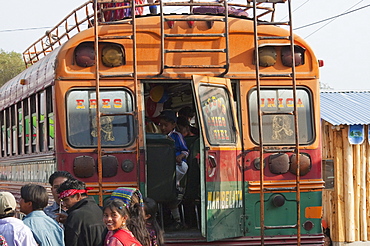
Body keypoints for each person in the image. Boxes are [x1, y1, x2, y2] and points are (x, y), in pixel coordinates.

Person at [58, 178, 106, 246]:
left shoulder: (75, 216)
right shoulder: (102, 211)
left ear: (78, 196)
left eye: (66, 200)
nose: (64, 204)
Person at [158, 110, 189, 187]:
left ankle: (175, 184)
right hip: (163, 163)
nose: (163, 128)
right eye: (161, 125)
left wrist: (180, 157)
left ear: (173, 125)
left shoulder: (177, 136)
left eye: (166, 125)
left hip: (177, 164)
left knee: (183, 167)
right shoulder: (158, 136)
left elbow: (185, 151)